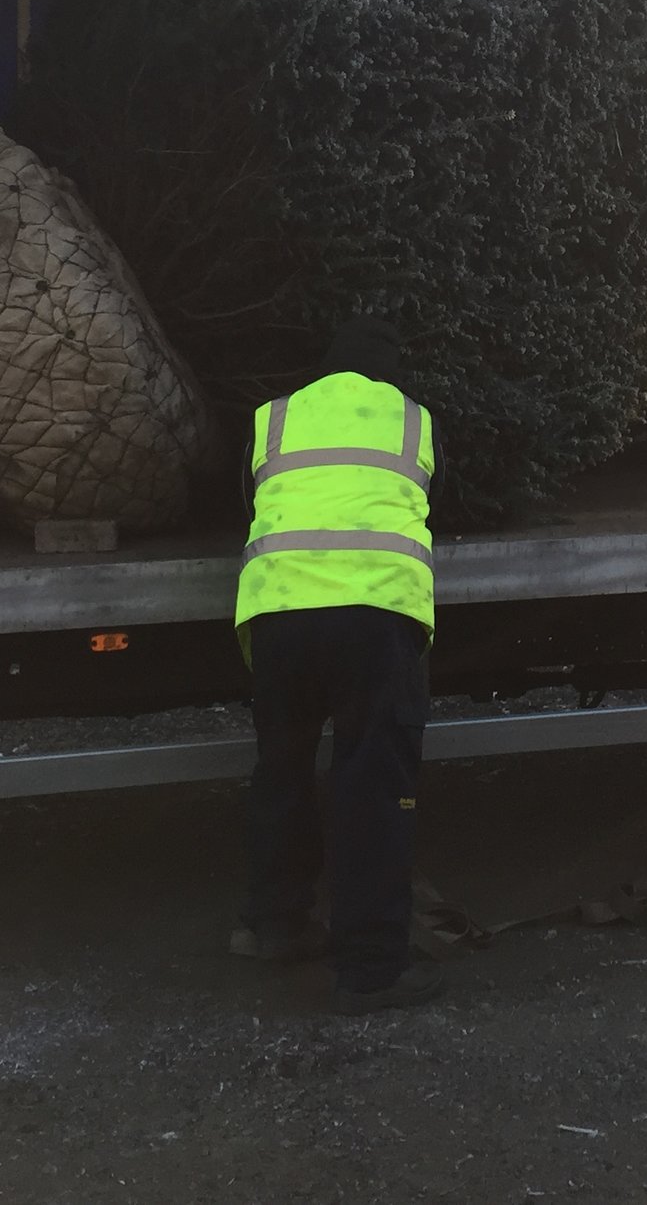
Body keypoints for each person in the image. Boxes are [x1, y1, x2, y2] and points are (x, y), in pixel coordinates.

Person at [228, 314, 442, 1013]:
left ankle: (274, 925)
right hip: (373, 614)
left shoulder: (275, 417)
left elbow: (254, 497)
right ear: (390, 372)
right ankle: (372, 969)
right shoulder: (412, 420)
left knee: (281, 769)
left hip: (279, 613)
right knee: (371, 785)